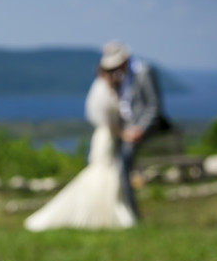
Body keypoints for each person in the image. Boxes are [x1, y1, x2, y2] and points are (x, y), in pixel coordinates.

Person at [24, 68, 137, 231]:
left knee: (107, 174)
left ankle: (107, 213)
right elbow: (106, 119)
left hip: (108, 137)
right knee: (101, 172)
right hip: (106, 137)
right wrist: (123, 134)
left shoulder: (109, 89)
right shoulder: (102, 90)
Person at [99, 41, 163, 218]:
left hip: (140, 130)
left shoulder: (144, 72)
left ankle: (132, 214)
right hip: (125, 130)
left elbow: (153, 106)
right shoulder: (119, 77)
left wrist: (139, 130)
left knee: (124, 162)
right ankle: (124, 210)